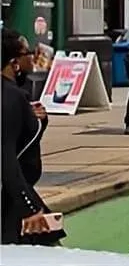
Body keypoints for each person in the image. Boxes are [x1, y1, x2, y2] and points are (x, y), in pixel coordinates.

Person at [2, 29, 56, 245]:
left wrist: (38, 122)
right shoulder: (10, 97)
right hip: (12, 195)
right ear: (14, 61)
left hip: (14, 192)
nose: (33, 57)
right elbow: (5, 156)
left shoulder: (14, 95)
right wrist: (29, 207)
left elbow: (20, 143)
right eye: (27, 53)